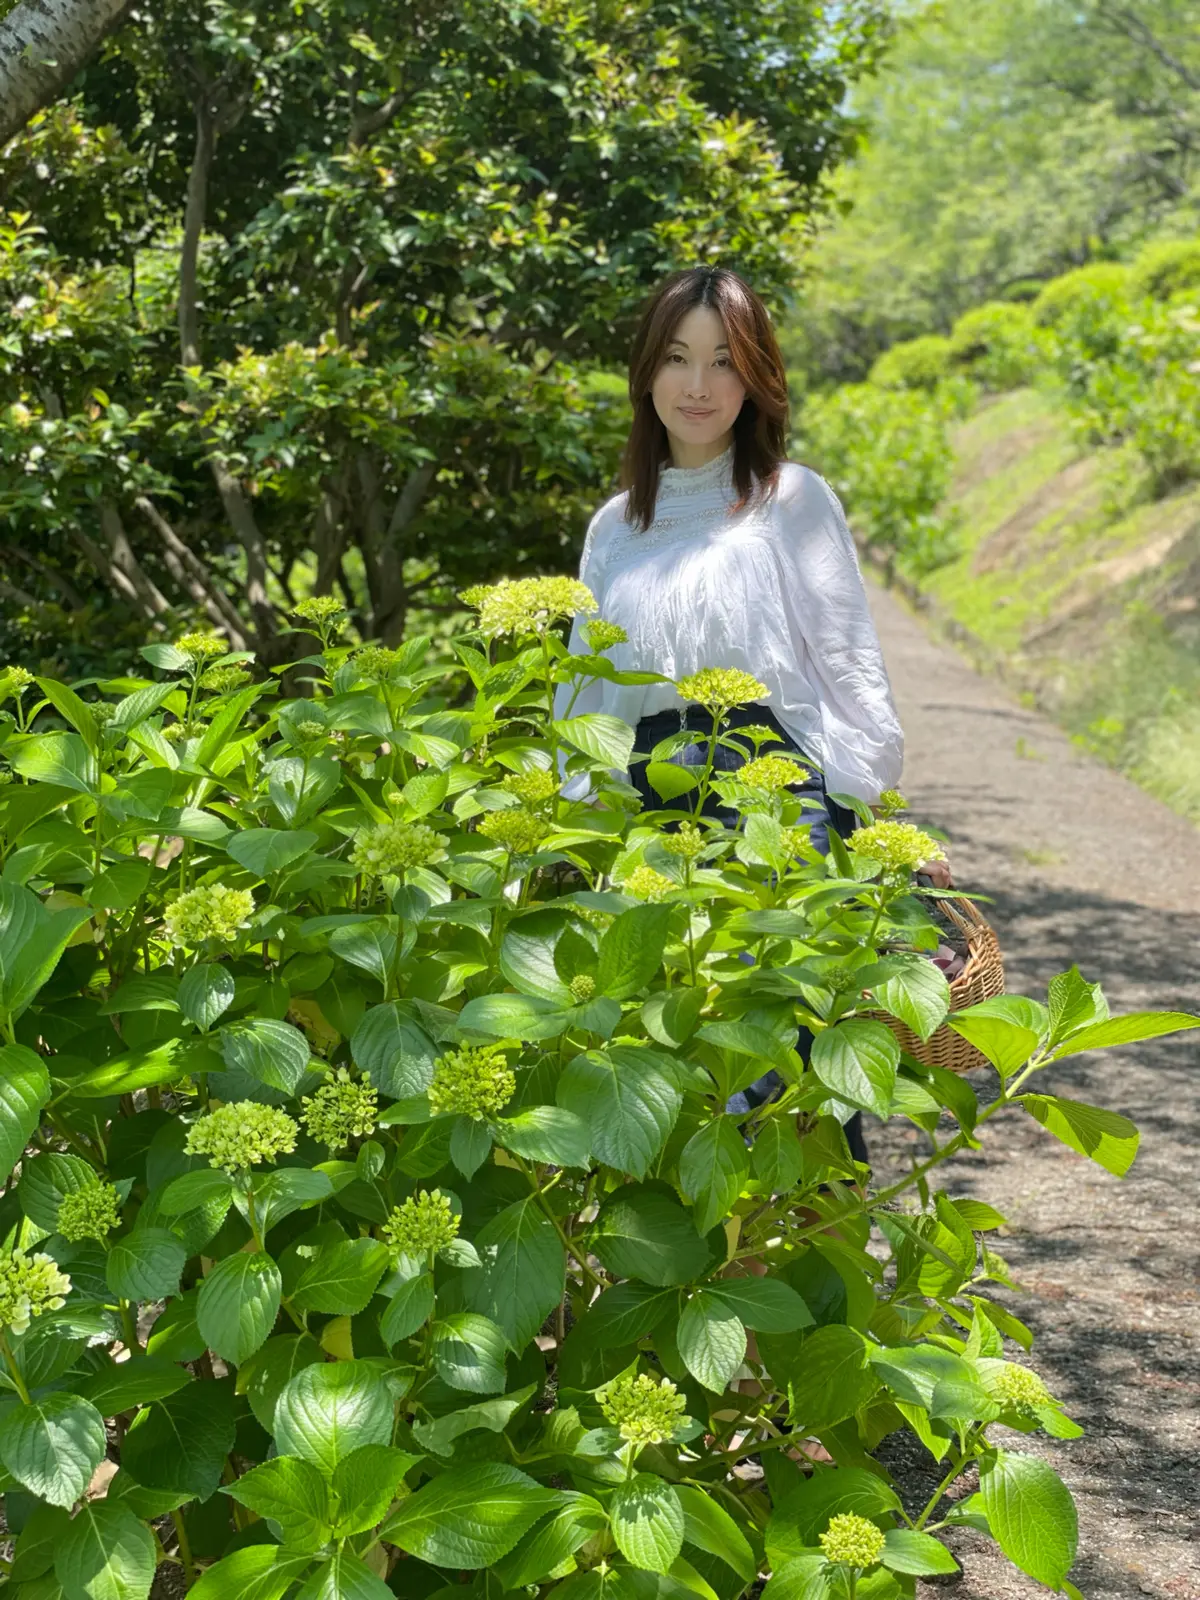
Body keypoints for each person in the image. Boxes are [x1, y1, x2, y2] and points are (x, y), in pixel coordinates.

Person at [554, 264, 953, 1159]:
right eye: (678, 359)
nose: (698, 387)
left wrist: (863, 805)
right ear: (646, 374)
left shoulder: (792, 499)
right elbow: (583, 687)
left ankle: (812, 1283)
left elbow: (848, 660)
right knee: (669, 1067)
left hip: (775, 804)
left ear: (757, 377)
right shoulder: (615, 527)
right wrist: (572, 819)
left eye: (725, 363)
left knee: (786, 1071)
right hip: (648, 810)